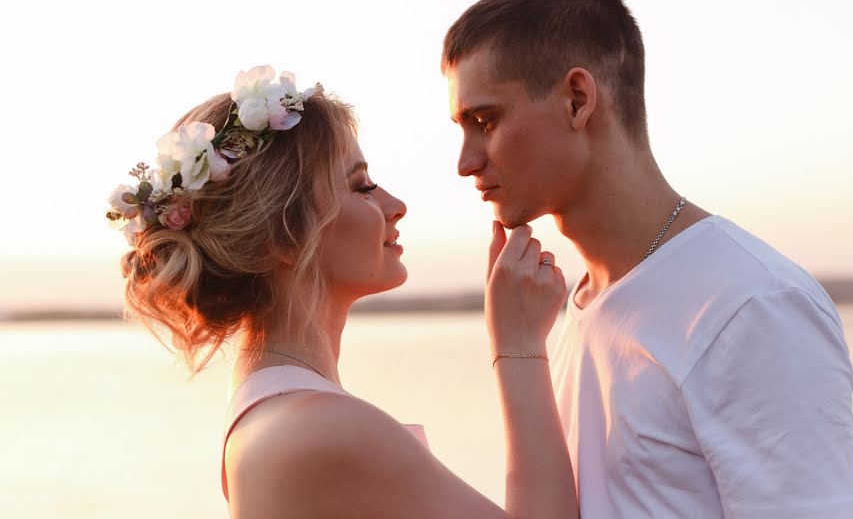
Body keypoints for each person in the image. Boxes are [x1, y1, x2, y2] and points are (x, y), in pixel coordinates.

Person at [442, 0, 853, 518]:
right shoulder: (575, 309)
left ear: (576, 99)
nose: (465, 161)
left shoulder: (752, 306)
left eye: (485, 120)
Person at [107, 66, 579, 518]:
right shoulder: (320, 426)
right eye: (362, 186)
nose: (396, 206)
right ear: (284, 235)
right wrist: (519, 347)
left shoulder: (265, 406)